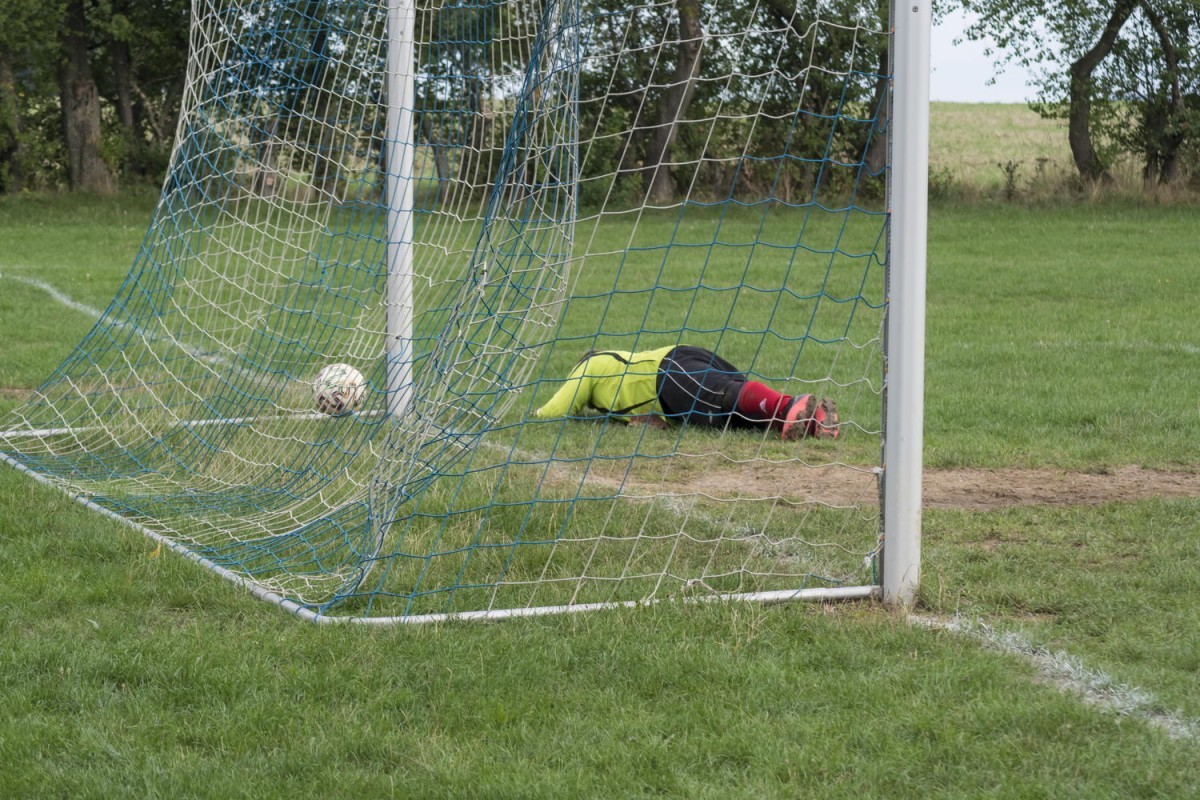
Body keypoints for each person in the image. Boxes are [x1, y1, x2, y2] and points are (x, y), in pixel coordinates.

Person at [534, 344, 839, 440]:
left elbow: (556, 410)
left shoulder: (590, 366)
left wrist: (532, 416)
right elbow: (632, 410)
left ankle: (789, 404)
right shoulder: (614, 376)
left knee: (725, 398)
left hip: (667, 374)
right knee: (731, 415)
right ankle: (815, 421)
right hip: (680, 362)